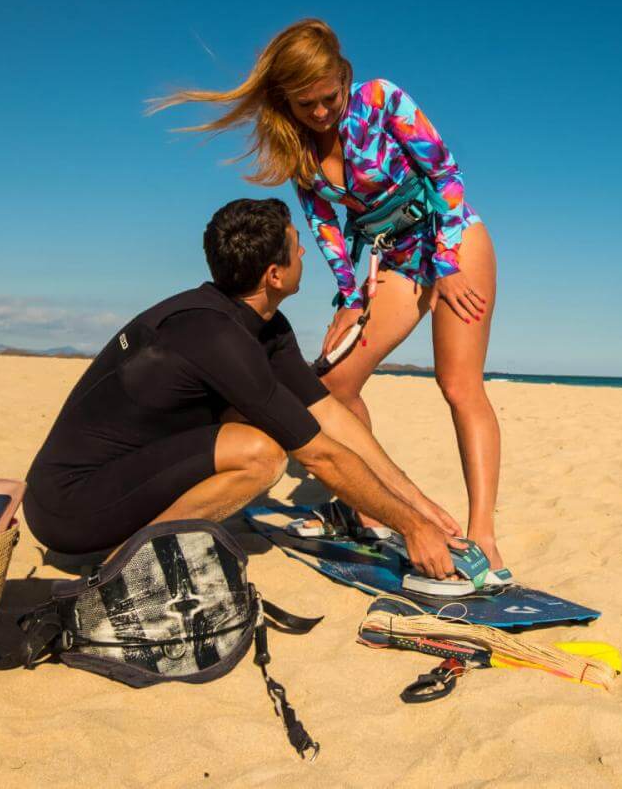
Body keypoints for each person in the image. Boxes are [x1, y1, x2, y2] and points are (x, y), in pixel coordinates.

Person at [151, 19, 507, 574]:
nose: (320, 112)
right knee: (335, 385)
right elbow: (325, 227)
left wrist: (447, 267)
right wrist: (349, 298)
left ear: (344, 78)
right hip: (391, 257)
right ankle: (367, 510)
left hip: (453, 239)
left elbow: (446, 177)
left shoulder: (382, 100)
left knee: (458, 384)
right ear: (286, 100)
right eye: (306, 103)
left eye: (328, 98)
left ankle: (482, 531)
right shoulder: (298, 151)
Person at [23, 198, 462, 578]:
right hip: (68, 508)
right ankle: (125, 568)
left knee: (257, 431)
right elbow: (321, 455)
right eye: (295, 247)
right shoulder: (215, 336)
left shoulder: (263, 324)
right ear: (274, 274)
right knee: (260, 454)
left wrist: (418, 504)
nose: (304, 251)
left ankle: (138, 548)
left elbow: (328, 415)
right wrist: (410, 527)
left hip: (118, 479)